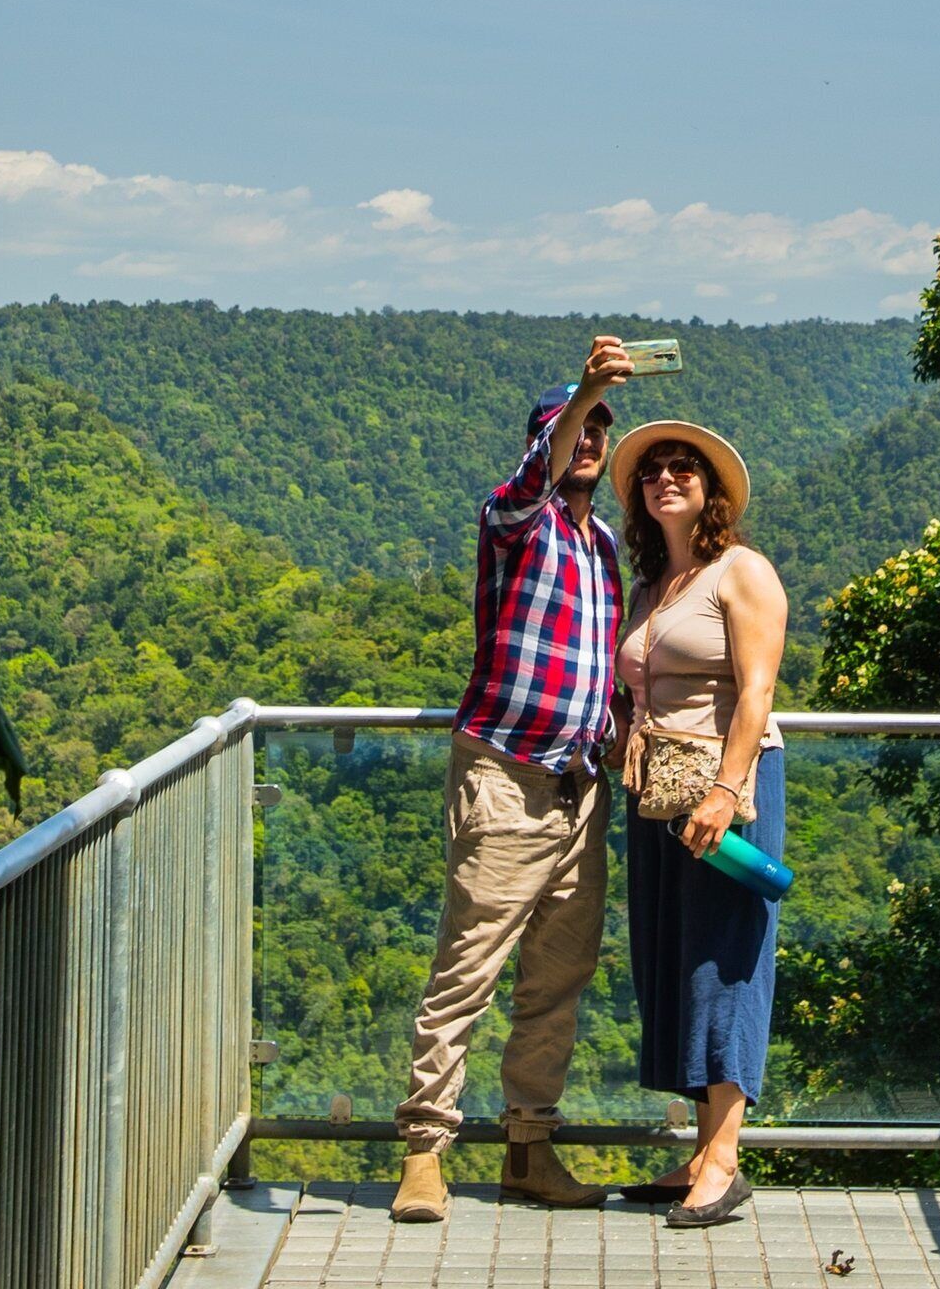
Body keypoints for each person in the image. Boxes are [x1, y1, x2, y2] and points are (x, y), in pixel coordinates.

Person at [389, 335, 639, 1223]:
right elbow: (533, 473)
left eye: (601, 432)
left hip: (579, 790)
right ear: (544, 437)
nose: (587, 444)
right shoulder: (515, 520)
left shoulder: (603, 547)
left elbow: (598, 665)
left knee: (555, 983)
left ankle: (528, 1152)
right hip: (505, 775)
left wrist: (622, 733)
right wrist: (586, 391)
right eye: (573, 429)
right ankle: (426, 1152)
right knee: (468, 971)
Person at [606, 417, 786, 1230]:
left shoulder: (740, 571)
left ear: (710, 491)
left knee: (725, 959)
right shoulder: (653, 586)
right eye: (653, 470)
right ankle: (700, 1150)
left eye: (683, 468)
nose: (666, 477)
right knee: (674, 957)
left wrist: (727, 788)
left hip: (725, 786)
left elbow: (756, 693)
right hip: (657, 793)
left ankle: (725, 1161)